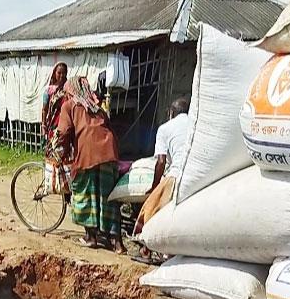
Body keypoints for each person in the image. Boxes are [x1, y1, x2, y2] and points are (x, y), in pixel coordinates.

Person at [56, 77, 125, 254]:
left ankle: (91, 237)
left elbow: (64, 131)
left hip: (88, 151)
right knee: (108, 196)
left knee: (84, 193)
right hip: (109, 150)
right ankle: (117, 242)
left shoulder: (69, 105)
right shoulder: (96, 106)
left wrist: (60, 148)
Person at [132, 97, 191, 264]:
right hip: (196, 176)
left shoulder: (165, 128)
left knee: (151, 210)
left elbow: (160, 161)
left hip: (176, 175)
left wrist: (155, 186)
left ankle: (146, 250)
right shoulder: (196, 125)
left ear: (171, 113)